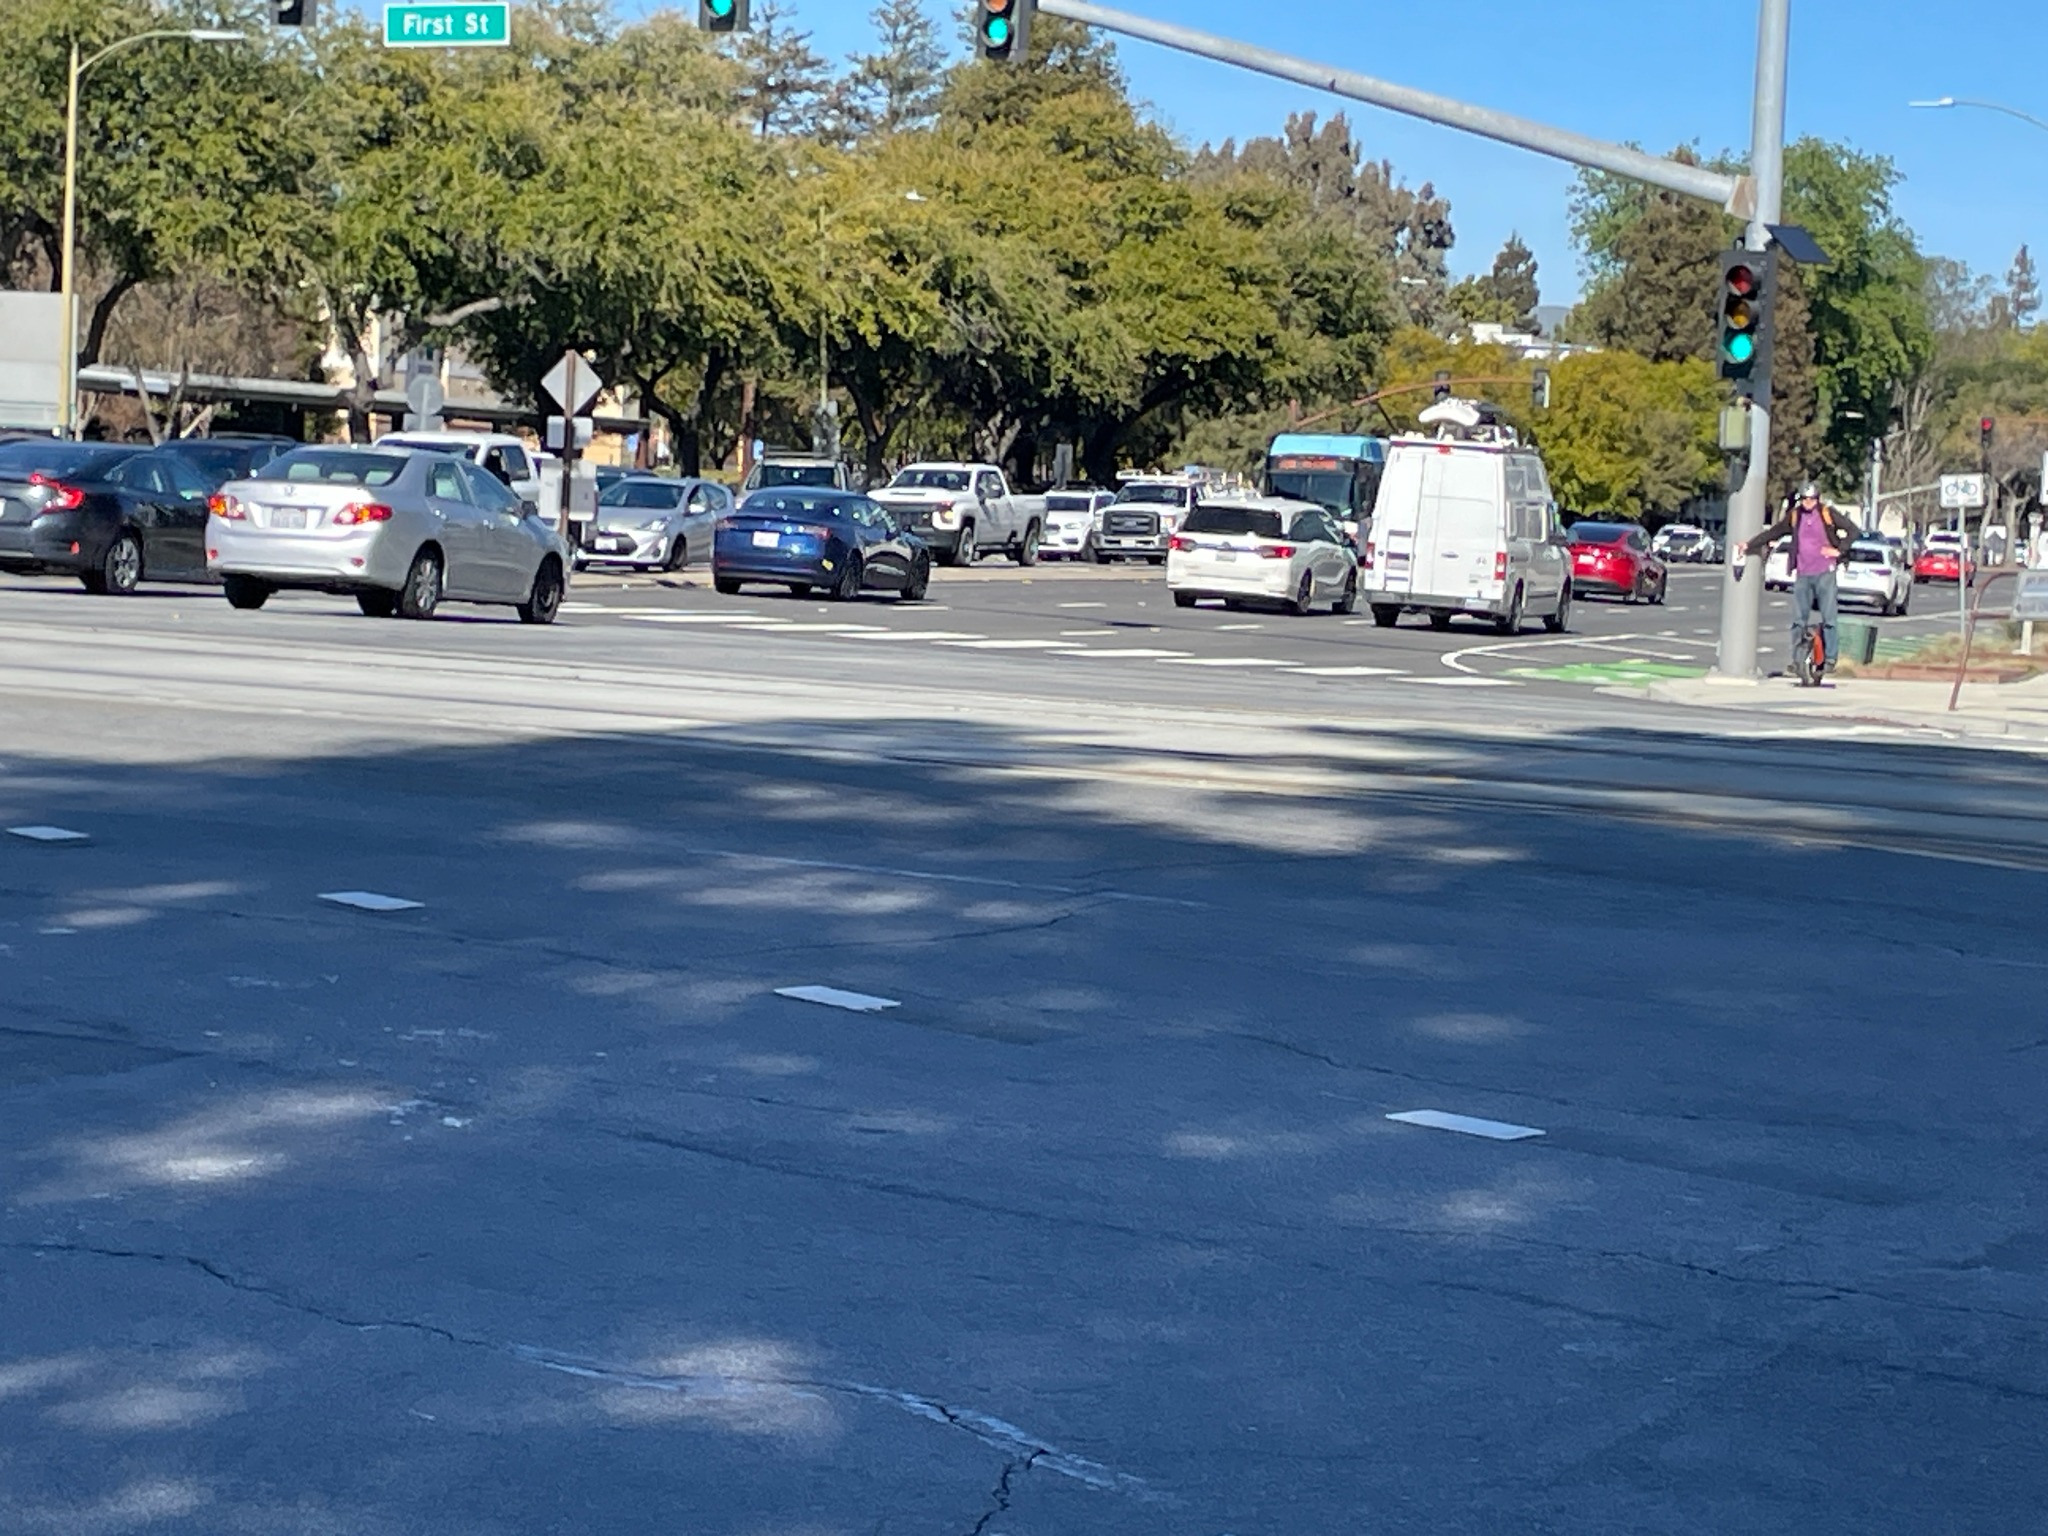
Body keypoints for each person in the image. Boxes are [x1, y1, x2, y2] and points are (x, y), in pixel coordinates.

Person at [1739, 482, 1860, 672]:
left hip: (1825, 572)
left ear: (1817, 499)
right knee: (1798, 620)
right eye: (1804, 499)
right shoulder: (1796, 515)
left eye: (1811, 499)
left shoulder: (1827, 513)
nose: (1808, 502)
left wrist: (1839, 550)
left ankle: (1830, 659)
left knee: (1829, 618)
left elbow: (1854, 531)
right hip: (1803, 573)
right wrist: (1749, 545)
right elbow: (1775, 532)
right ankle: (1797, 660)